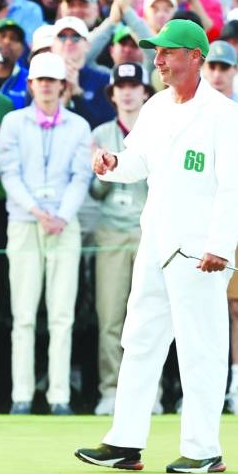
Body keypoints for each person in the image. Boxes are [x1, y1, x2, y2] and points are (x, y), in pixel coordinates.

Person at [76, 20, 238, 474]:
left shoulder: (224, 113)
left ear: (195, 56)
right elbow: (138, 162)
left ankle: (204, 449)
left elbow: (233, 188)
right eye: (157, 52)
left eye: (167, 52)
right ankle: (125, 442)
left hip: (199, 252)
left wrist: (220, 246)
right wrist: (112, 164)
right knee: (140, 338)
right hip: (155, 240)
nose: (158, 60)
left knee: (200, 347)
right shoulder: (154, 106)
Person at [0, 52, 92, 416]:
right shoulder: (14, 122)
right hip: (24, 222)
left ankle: (59, 396)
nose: (47, 86)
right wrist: (39, 212)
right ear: (32, 85)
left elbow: (81, 176)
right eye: (41, 80)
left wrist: (61, 216)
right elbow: (9, 173)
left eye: (53, 80)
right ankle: (22, 394)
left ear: (62, 86)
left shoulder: (79, 126)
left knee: (62, 314)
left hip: (64, 224)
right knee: (23, 313)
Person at [88, 63, 153, 416]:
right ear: (112, 94)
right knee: (111, 315)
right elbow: (96, 193)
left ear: (145, 91)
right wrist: (99, 167)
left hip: (148, 230)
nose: (127, 92)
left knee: (150, 317)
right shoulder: (101, 131)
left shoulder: (158, 129)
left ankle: (151, 392)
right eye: (121, 86)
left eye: (134, 85)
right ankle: (111, 389)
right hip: (111, 230)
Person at [198, 41, 238, 416]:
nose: (218, 74)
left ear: (236, 71)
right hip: (198, 223)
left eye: (225, 67)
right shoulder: (192, 110)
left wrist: (229, 135)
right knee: (200, 308)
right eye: (213, 67)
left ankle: (236, 387)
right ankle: (202, 387)